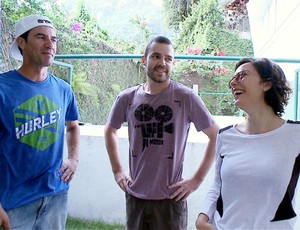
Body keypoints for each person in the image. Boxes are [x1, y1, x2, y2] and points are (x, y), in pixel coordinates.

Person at [104, 35, 219, 230]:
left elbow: (215, 135)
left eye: (168, 58)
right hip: (135, 196)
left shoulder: (186, 97)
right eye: (156, 56)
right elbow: (110, 130)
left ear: (173, 63)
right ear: (144, 59)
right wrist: (117, 170)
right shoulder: (127, 98)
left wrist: (196, 180)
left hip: (170, 199)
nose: (162, 63)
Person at [196, 57, 300, 229]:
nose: (233, 83)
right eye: (233, 78)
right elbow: (218, 185)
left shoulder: (295, 134)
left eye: (242, 75)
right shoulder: (225, 136)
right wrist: (202, 218)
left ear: (266, 84)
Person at [0, 15, 80, 229]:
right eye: (41, 37)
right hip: (12, 201)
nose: (49, 44)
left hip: (55, 195)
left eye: (53, 39)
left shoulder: (63, 89)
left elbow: (72, 126)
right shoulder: (3, 89)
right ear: (21, 42)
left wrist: (73, 160)